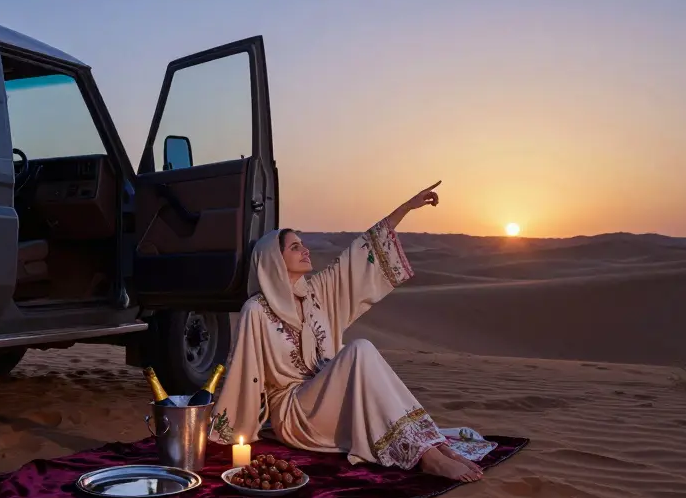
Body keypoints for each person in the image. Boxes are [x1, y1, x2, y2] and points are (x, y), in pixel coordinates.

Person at [209, 184, 497, 482]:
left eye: (303, 244)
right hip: (296, 414)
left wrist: (406, 208)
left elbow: (360, 254)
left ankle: (432, 446)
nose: (305, 250)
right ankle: (428, 457)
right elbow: (243, 371)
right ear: (273, 260)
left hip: (332, 401)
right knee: (360, 349)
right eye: (294, 247)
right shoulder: (256, 309)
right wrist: (233, 428)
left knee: (362, 351)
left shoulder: (317, 292)